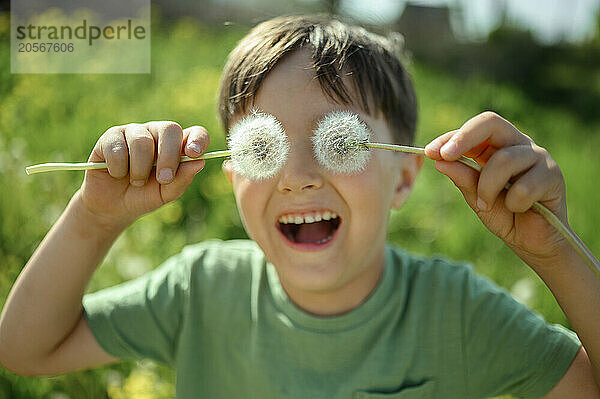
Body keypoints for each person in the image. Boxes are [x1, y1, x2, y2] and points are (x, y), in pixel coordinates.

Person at [1, 14, 599, 399]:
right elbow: (24, 347)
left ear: (404, 175)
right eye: (265, 148)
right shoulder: (199, 292)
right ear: (232, 172)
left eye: (338, 141)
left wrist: (555, 253)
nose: (298, 178)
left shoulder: (459, 317)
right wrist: (96, 215)